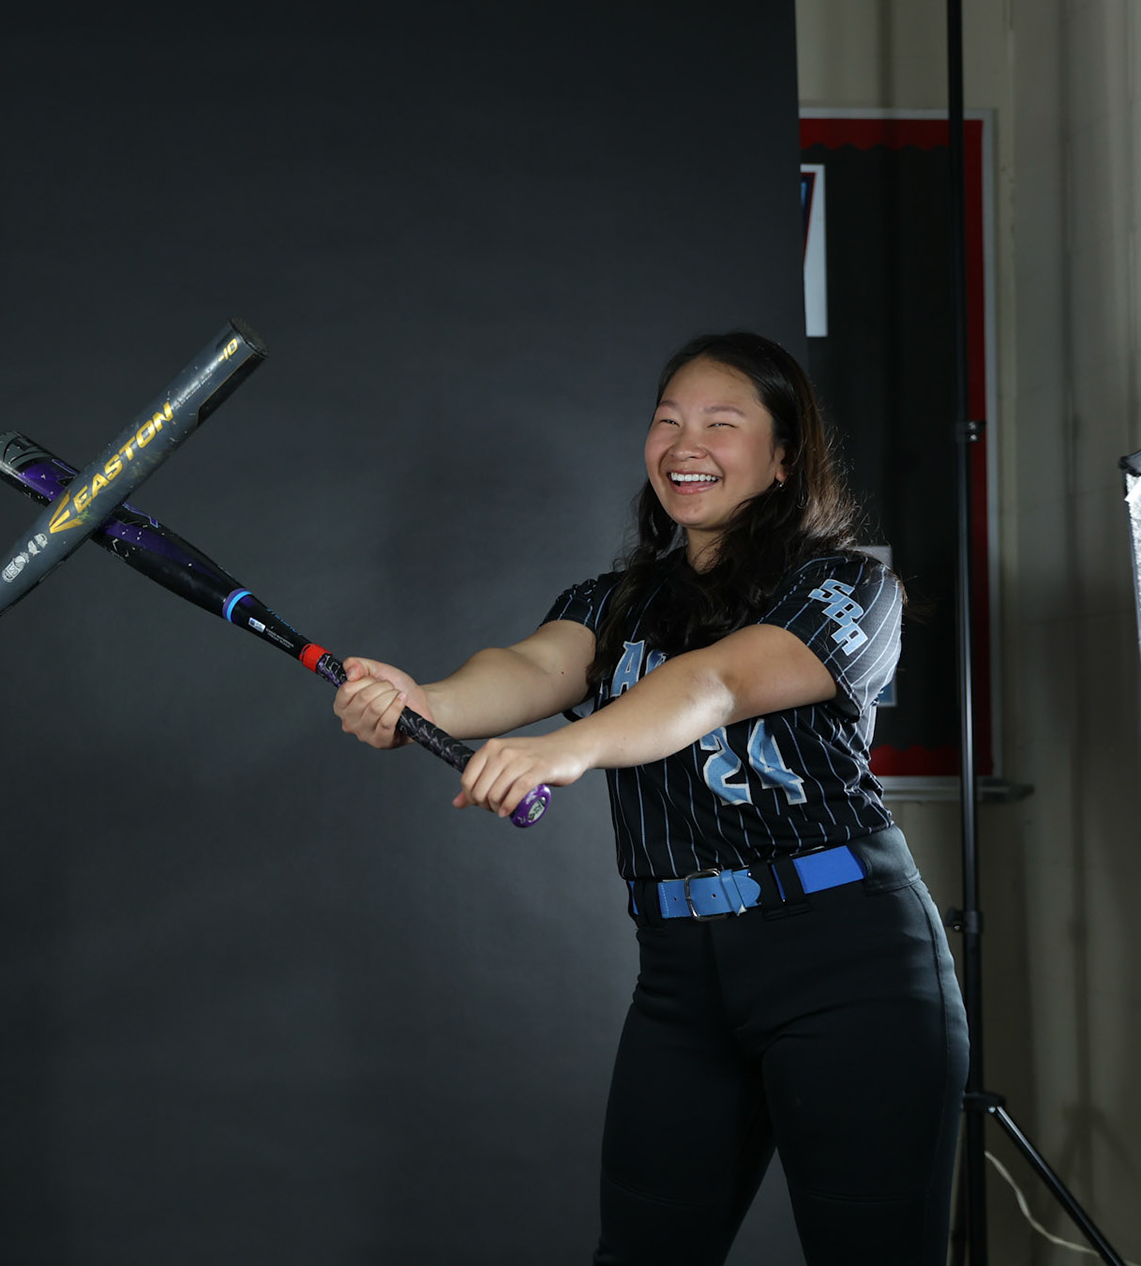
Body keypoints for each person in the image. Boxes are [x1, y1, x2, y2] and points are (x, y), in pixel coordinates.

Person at [333, 332, 968, 1264]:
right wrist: (426, 703)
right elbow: (530, 664)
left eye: (722, 422)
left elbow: (715, 685)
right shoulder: (616, 599)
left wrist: (567, 751)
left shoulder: (846, 586)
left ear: (784, 455)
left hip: (848, 961)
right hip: (683, 977)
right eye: (667, 420)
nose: (685, 444)